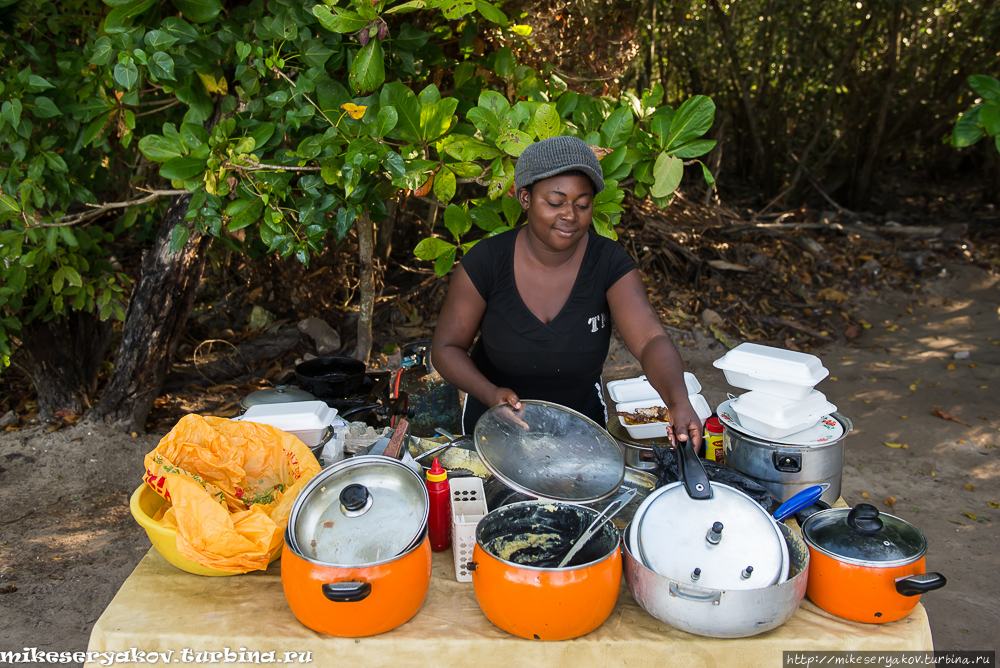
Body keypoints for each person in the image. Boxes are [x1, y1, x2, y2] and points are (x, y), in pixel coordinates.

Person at [431, 135, 702, 449]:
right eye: (555, 202)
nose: (570, 215)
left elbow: (650, 339)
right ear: (525, 198)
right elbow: (446, 348)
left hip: (580, 430)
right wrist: (489, 393)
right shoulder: (486, 262)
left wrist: (678, 400)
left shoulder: (608, 262)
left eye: (582, 204)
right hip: (494, 425)